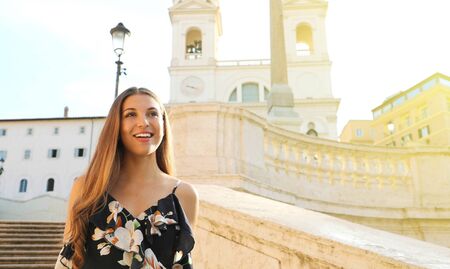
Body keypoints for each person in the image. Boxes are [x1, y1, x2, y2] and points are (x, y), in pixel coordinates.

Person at [55, 87, 199, 269]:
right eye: (131, 114)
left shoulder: (183, 194)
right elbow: (68, 261)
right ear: (116, 125)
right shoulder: (87, 187)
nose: (143, 122)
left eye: (153, 113)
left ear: (163, 123)